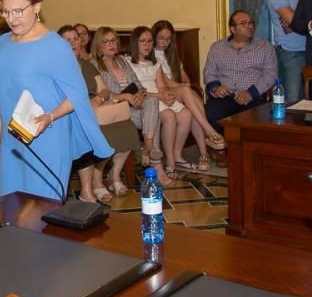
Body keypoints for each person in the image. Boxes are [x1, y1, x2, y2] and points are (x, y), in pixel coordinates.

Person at [0, 0, 112, 200]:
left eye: (18, 11)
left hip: (46, 136)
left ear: (37, 7)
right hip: (12, 140)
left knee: (43, 209)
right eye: (5, 12)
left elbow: (78, 95)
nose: (11, 19)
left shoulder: (55, 46)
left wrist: (49, 117)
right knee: (13, 208)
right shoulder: (3, 42)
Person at [58, 25, 136, 203]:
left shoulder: (86, 65)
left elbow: (104, 90)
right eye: (67, 40)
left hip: (96, 108)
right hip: (72, 111)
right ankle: (97, 181)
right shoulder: (58, 68)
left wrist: (98, 100)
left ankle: (114, 175)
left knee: (127, 127)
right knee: (101, 134)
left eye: (75, 39)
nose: (73, 43)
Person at [93, 26, 168, 184]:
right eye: (106, 41)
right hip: (114, 110)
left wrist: (139, 95)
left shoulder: (121, 61)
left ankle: (148, 145)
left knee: (151, 101)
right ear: (99, 45)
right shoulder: (95, 65)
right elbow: (102, 94)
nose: (111, 44)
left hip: (133, 107)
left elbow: (138, 85)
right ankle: (155, 161)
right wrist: (125, 97)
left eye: (114, 40)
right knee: (153, 120)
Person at [151, 20, 223, 172]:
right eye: (161, 38)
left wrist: (185, 85)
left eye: (168, 39)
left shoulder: (171, 55)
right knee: (188, 93)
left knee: (194, 103)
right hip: (163, 92)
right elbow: (165, 82)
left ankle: (203, 154)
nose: (165, 42)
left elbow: (184, 78)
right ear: (154, 37)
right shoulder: (152, 55)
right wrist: (184, 88)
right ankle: (209, 132)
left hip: (178, 91)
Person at [129, 26, 191, 182]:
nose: (147, 45)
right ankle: (168, 162)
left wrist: (165, 94)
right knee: (169, 116)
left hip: (157, 95)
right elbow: (134, 91)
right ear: (134, 43)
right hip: (144, 100)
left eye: (150, 41)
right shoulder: (127, 62)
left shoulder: (154, 63)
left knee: (185, 114)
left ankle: (175, 155)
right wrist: (159, 96)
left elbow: (161, 85)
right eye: (143, 41)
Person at [203, 10, 277, 133]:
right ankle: (226, 146)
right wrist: (216, 88)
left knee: (256, 121)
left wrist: (251, 93)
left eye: (251, 23)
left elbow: (270, 75)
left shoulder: (265, 47)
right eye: (244, 23)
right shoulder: (217, 47)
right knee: (211, 113)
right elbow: (209, 72)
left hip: (253, 97)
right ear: (233, 29)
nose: (250, 26)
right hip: (225, 96)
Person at [267, 0, 309, 102]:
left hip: (310, 48)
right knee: (293, 98)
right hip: (291, 52)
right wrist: (300, 21)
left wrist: (298, 21)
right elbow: (292, 20)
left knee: (308, 98)